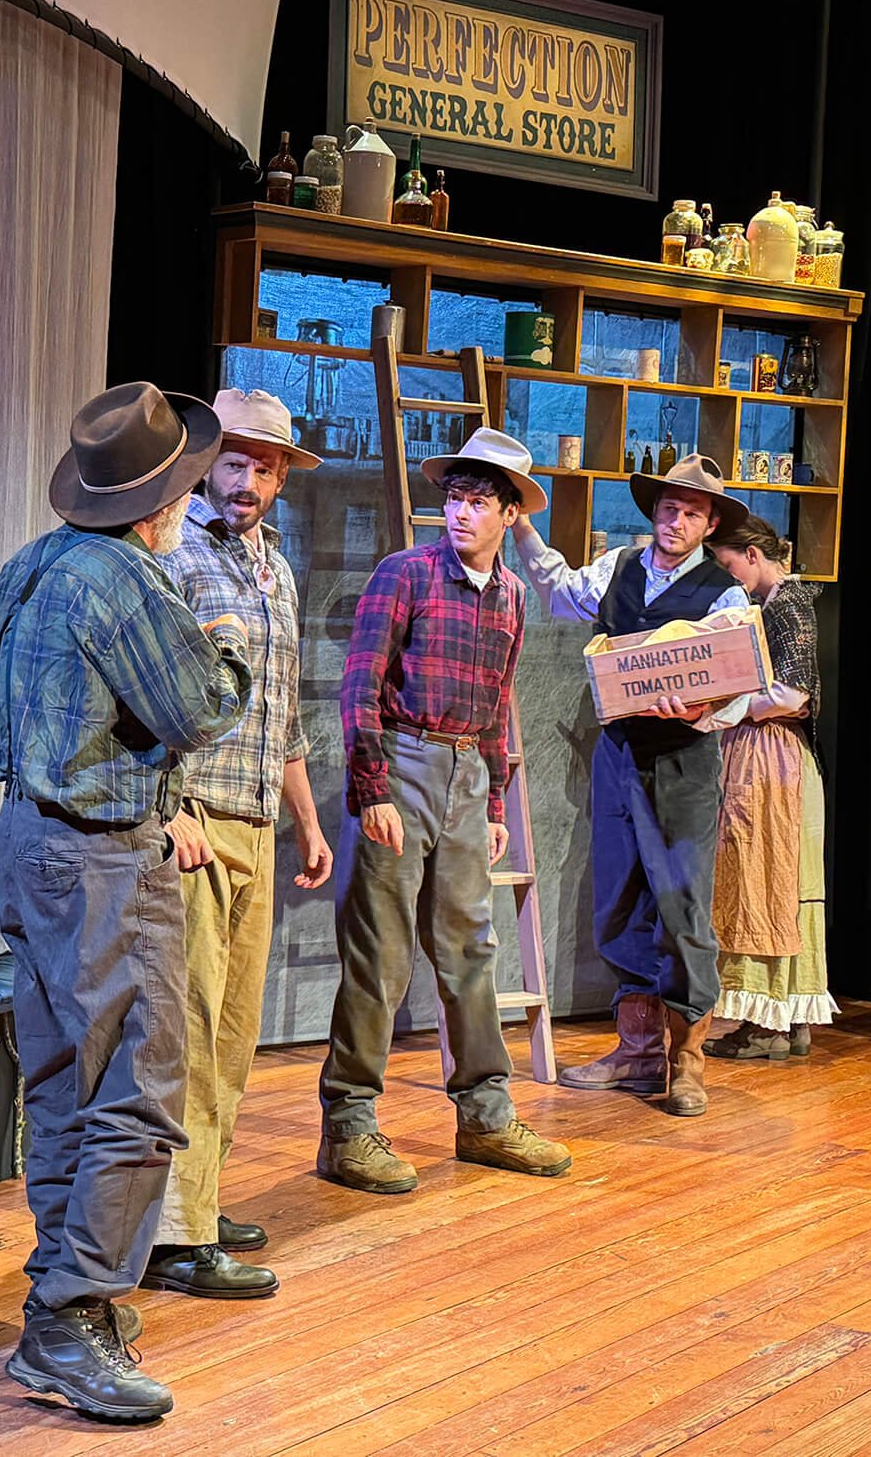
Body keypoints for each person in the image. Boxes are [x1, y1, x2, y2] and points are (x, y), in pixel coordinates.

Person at [0, 382, 252, 1423]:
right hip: (103, 856)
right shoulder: (128, 581)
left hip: (30, 844)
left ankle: (62, 1296)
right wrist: (224, 651)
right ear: (162, 502)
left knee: (64, 1080)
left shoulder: (40, 558)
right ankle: (71, 1319)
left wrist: (35, 755)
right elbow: (202, 707)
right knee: (135, 1089)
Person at [317, 428, 572, 1192]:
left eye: (480, 502)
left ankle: (486, 1117)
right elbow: (359, 689)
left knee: (471, 952)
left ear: (508, 517)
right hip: (403, 760)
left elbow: (496, 706)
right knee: (381, 953)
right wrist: (372, 790)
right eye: (456, 499)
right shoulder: (406, 574)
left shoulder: (512, 598)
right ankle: (349, 1125)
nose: (462, 514)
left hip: (463, 774)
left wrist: (493, 800)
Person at [144, 390, 332, 1300]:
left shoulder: (276, 571)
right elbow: (151, 695)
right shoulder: (175, 551)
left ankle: (202, 1199)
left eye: (265, 466)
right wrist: (168, 804)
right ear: (205, 464)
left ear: (284, 478)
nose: (247, 480)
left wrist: (307, 818)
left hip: (257, 815)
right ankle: (173, 1233)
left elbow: (282, 711)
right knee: (187, 1021)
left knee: (233, 1031)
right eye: (233, 462)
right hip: (197, 819)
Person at [510, 454, 749, 1116]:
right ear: (654, 513)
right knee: (619, 898)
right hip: (618, 754)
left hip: (685, 761)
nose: (676, 521)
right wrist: (523, 526)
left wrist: (702, 709)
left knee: (682, 904)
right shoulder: (619, 567)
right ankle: (637, 1049)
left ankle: (686, 1058)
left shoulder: (723, 593)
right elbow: (558, 591)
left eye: (692, 513)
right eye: (669, 509)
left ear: (709, 524)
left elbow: (738, 685)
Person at [700, 514, 837, 1062]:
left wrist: (724, 708)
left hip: (770, 754)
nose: (730, 578)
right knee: (785, 879)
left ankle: (764, 1026)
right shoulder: (774, 605)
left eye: (730, 565)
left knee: (762, 878)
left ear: (752, 557)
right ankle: (793, 1018)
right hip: (775, 755)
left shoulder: (786, 603)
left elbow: (793, 692)